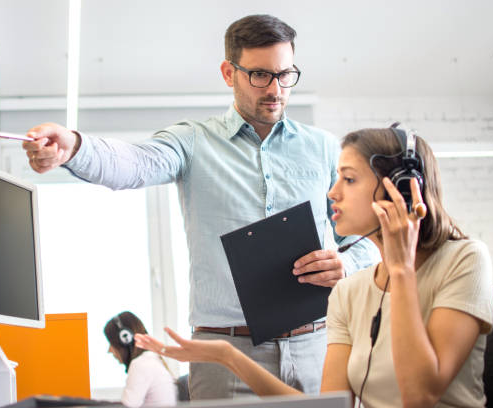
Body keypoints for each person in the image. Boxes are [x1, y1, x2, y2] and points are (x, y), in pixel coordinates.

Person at [21, 14, 378, 399]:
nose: (275, 89)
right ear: (229, 73)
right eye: (259, 75)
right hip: (224, 355)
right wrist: (73, 147)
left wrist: (347, 265)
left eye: (285, 74)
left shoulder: (324, 148)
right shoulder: (192, 141)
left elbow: (369, 239)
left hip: (318, 345)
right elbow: (133, 163)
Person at [134, 126, 493, 408]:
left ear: (396, 190)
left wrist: (400, 271)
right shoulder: (350, 292)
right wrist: (225, 354)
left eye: (349, 179)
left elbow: (418, 397)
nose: (331, 192)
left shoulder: (464, 260)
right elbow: (329, 405)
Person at [104, 311, 177, 407]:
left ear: (125, 339)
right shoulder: (151, 359)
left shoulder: (141, 364)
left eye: (111, 343)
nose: (109, 350)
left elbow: (127, 406)